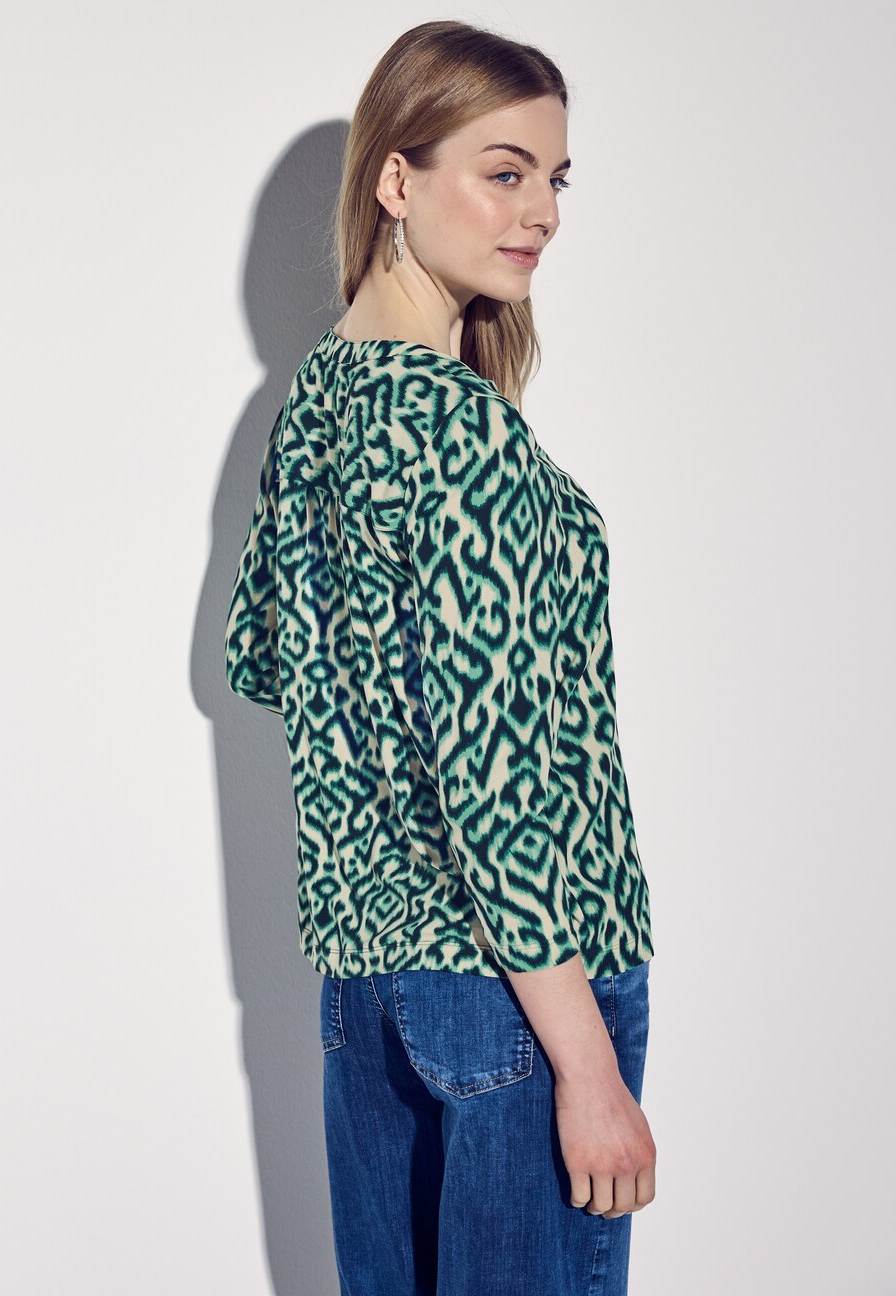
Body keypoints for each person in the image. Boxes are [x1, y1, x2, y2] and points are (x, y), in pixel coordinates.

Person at [225, 18, 657, 1296]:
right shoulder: (460, 437)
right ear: (396, 181)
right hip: (524, 988)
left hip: (368, 985)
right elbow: (494, 783)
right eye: (503, 172)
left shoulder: (318, 402)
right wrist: (588, 1068)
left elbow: (263, 658)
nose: (543, 212)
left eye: (555, 179)